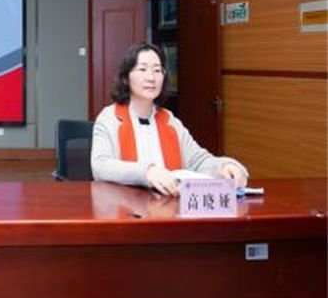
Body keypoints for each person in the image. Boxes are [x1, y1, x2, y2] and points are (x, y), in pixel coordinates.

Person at [90, 42, 248, 196]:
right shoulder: (109, 118)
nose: (151, 77)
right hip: (125, 206)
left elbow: (198, 161)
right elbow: (100, 166)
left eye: (157, 70)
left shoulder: (169, 120)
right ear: (126, 77)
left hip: (168, 205)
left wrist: (226, 166)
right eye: (142, 69)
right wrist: (148, 173)